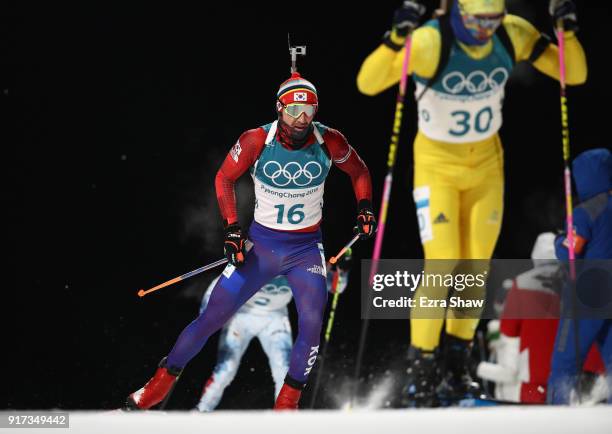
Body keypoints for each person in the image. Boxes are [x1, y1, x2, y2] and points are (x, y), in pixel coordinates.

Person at [357, 0, 587, 405]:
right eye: (478, 20)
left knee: (475, 267)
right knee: (444, 262)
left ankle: (456, 367)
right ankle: (421, 369)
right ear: (458, 12)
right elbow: (368, 82)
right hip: (437, 167)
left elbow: (575, 73)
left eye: (492, 19)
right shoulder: (431, 41)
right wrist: (396, 39)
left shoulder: (510, 32)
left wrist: (566, 32)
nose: (485, 28)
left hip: (486, 167)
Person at [126, 71, 375, 410]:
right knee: (211, 318)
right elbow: (224, 177)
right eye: (293, 112)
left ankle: (287, 403)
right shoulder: (257, 140)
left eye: (309, 112)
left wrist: (364, 209)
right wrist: (231, 230)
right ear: (279, 109)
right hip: (263, 247)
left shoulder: (330, 141)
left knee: (312, 323)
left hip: (305, 251)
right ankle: (155, 388)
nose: (301, 121)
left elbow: (359, 172)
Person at [195, 255, 351, 412]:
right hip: (242, 315)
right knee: (226, 368)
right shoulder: (253, 261)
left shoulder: (300, 267)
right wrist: (205, 320)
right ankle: (201, 410)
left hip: (275, 318)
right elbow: (216, 288)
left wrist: (342, 270)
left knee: (283, 370)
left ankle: (283, 416)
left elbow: (337, 287)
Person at [476, 233, 604, 404]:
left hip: (534, 387)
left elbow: (508, 334)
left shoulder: (522, 283)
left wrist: (477, 366)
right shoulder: (582, 283)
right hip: (581, 384)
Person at [548, 148, 612, 404]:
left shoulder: (587, 211)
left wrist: (559, 239)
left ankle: (557, 412)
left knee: (565, 363)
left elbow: (569, 254)